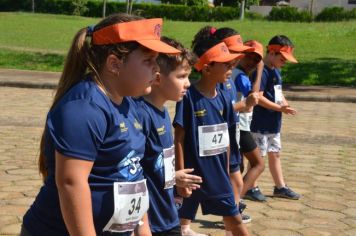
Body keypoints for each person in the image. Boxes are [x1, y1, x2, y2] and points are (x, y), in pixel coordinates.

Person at [21, 14, 181, 236]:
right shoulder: (84, 108)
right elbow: (71, 183)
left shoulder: (130, 104)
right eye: (148, 61)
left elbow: (134, 176)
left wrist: (143, 230)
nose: (157, 69)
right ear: (114, 64)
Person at [174, 26, 249, 236]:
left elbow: (225, 138)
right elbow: (179, 136)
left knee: (234, 219)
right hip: (193, 175)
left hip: (217, 175)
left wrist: (226, 171)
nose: (230, 71)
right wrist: (180, 175)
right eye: (226, 66)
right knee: (177, 223)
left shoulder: (224, 97)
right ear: (207, 68)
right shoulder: (188, 97)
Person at [135, 36, 202, 236]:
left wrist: (175, 179)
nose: (188, 83)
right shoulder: (140, 115)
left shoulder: (163, 111)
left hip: (168, 215)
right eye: (181, 76)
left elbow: (155, 165)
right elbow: (134, 173)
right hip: (150, 223)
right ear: (157, 78)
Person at [250, 35, 300, 200]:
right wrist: (279, 108)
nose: (284, 62)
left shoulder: (276, 71)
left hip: (273, 123)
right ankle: (251, 186)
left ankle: (280, 187)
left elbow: (278, 93)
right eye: (282, 58)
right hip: (260, 123)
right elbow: (259, 97)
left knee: (275, 153)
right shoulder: (262, 70)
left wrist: (284, 105)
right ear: (272, 52)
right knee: (258, 156)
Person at [230, 40, 266, 202]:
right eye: (249, 57)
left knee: (240, 166)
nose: (252, 62)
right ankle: (236, 202)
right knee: (258, 163)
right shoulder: (240, 76)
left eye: (256, 59)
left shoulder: (236, 73)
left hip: (239, 125)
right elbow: (254, 97)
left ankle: (236, 200)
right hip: (240, 126)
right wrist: (259, 71)